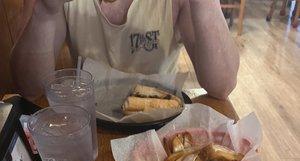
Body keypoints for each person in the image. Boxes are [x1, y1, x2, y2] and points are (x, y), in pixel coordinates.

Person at [11, 0, 239, 100]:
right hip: (89, 123)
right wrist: (44, 12)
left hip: (162, 119)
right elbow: (30, 88)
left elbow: (222, 86)